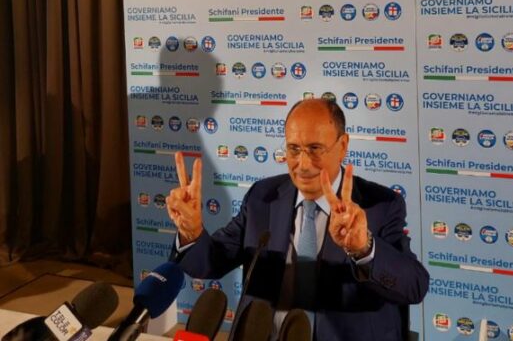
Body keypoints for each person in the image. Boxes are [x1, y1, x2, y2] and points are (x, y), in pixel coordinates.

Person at [166, 98, 429, 340]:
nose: (302, 164)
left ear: (342, 146)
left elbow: (414, 286)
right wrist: (192, 232)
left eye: (315, 149)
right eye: (293, 149)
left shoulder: (380, 205)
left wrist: (363, 248)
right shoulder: (262, 197)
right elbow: (210, 263)